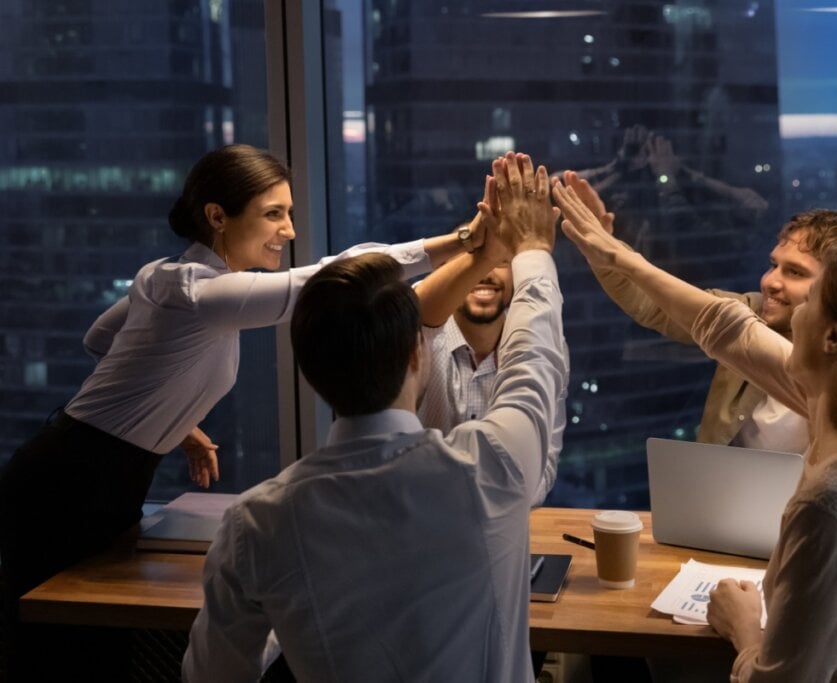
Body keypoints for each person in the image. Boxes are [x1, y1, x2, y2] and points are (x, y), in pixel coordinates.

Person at [0, 144, 470, 679]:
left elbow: (100, 339)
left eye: (288, 213)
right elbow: (331, 278)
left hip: (97, 473)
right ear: (217, 216)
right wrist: (461, 242)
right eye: (274, 214)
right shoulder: (198, 291)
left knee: (93, 653)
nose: (289, 230)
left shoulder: (165, 279)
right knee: (53, 657)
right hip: (66, 481)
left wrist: (175, 423)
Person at [554, 178, 837, 680]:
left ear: (835, 335)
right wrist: (614, 252)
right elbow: (724, 326)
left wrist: (745, 629)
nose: (769, 296)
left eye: (812, 292)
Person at [181, 151, 566, 682]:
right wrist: (533, 250)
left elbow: (211, 677)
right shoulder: (492, 465)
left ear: (311, 374)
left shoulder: (256, 525)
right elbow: (535, 354)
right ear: (417, 353)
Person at [563, 170, 837, 454]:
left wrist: (615, 254)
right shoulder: (752, 310)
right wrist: (600, 249)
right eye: (773, 265)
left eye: (794, 272)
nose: (770, 282)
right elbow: (652, 303)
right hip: (723, 503)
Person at [418, 185, 568, 506]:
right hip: (427, 523)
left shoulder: (539, 339)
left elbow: (545, 465)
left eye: (498, 260)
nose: (485, 273)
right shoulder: (420, 343)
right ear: (447, 275)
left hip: (506, 530)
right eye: (473, 260)